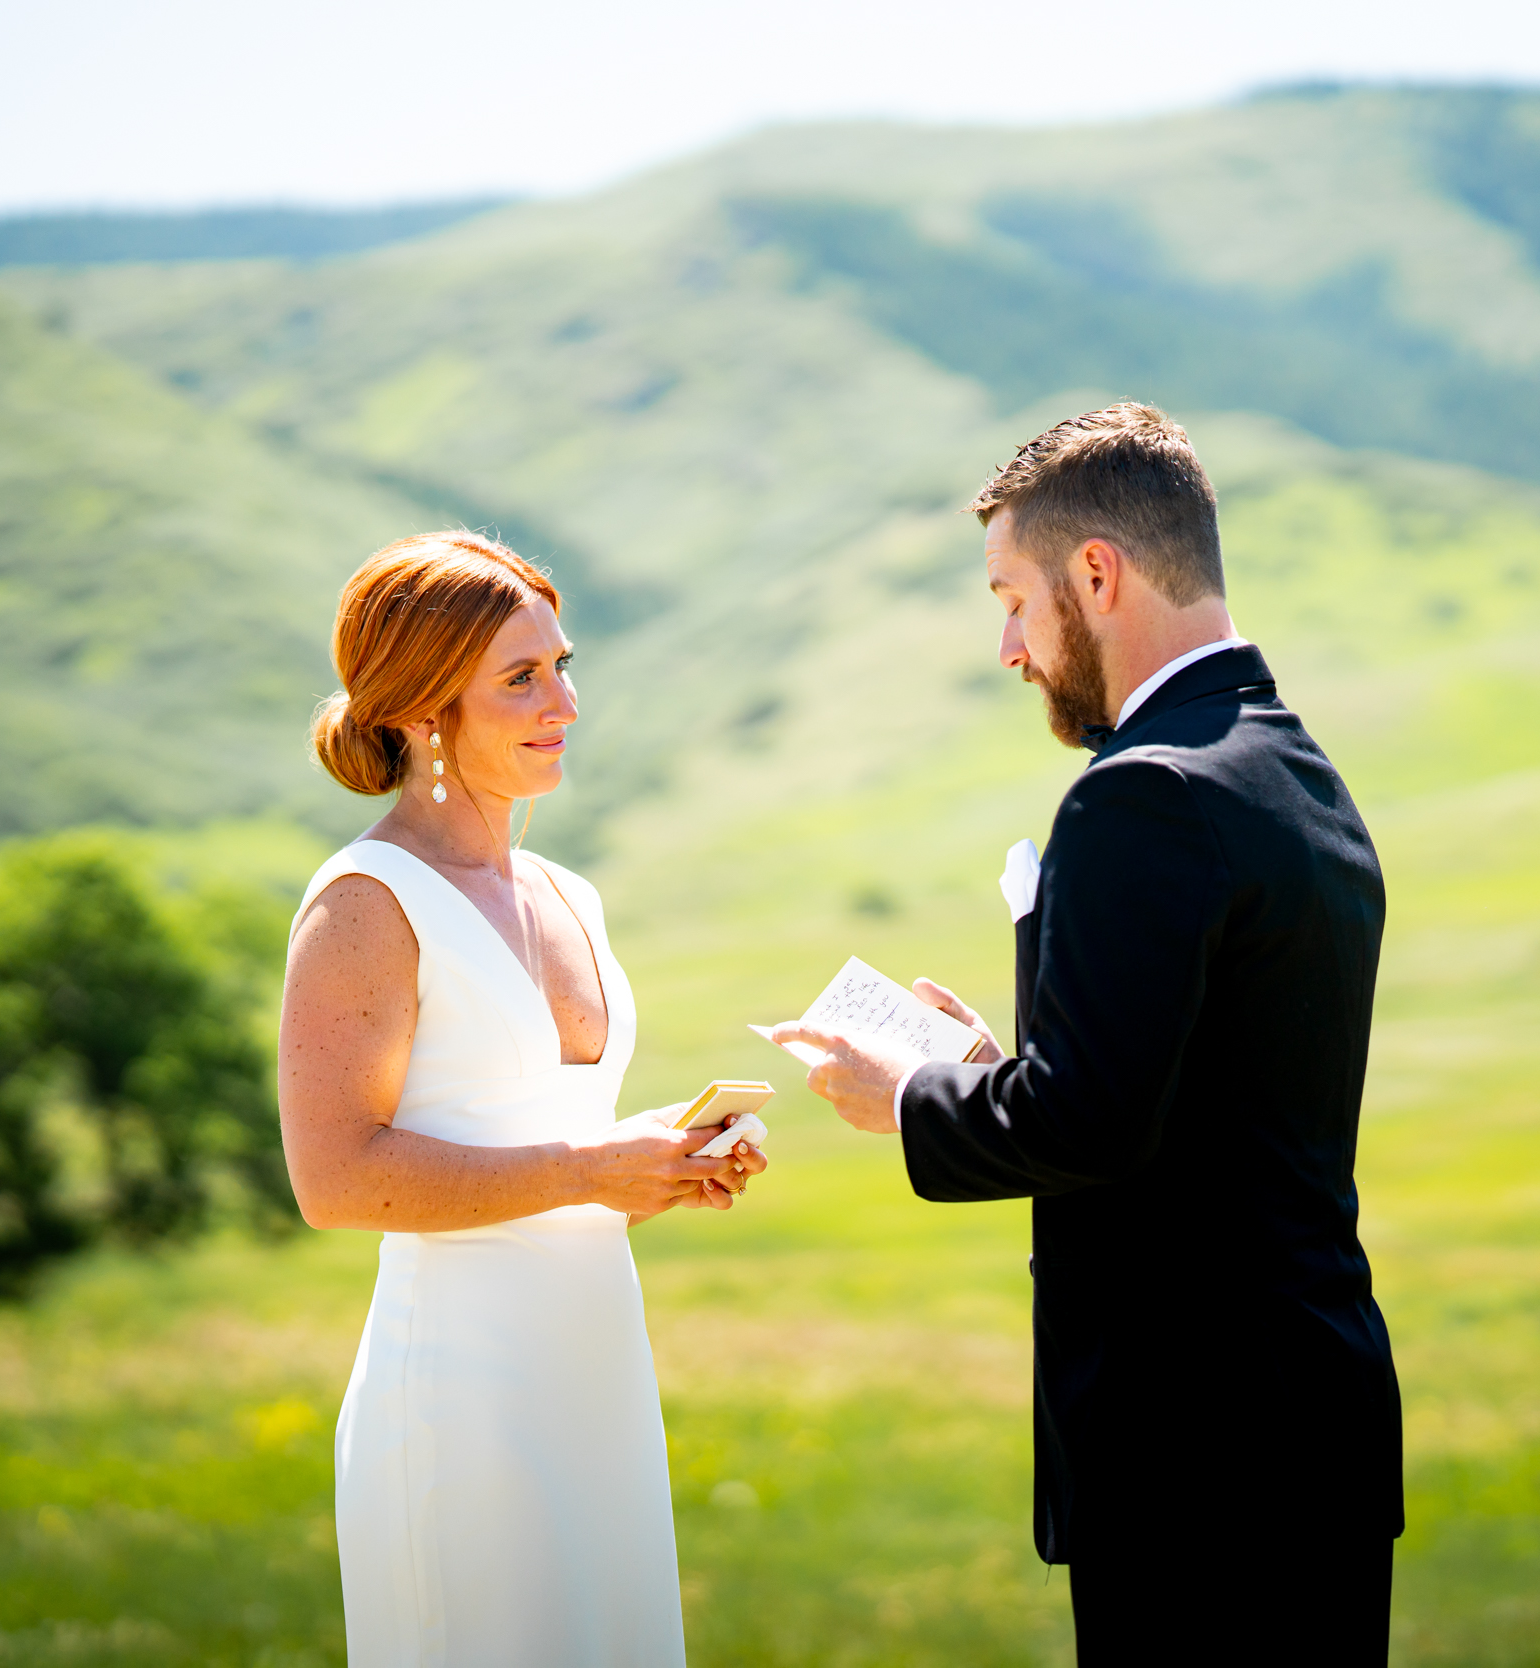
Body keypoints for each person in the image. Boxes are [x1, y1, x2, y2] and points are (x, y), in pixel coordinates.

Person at [774, 405, 1400, 1664]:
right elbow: (1194, 1099)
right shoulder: (1288, 764)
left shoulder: (1141, 794)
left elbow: (1093, 1125)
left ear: (1097, 573)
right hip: (1308, 1424)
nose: (1008, 643)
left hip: (1192, 1453)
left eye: (1013, 597)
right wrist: (991, 1074)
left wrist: (905, 1097)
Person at [277, 531, 766, 1668]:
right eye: (521, 678)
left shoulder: (568, 896)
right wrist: (594, 1169)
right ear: (416, 707)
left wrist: (656, 1172)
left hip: (598, 1384)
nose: (566, 702)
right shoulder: (364, 902)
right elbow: (335, 1179)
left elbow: (551, 1170)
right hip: (460, 1404)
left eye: (562, 665)